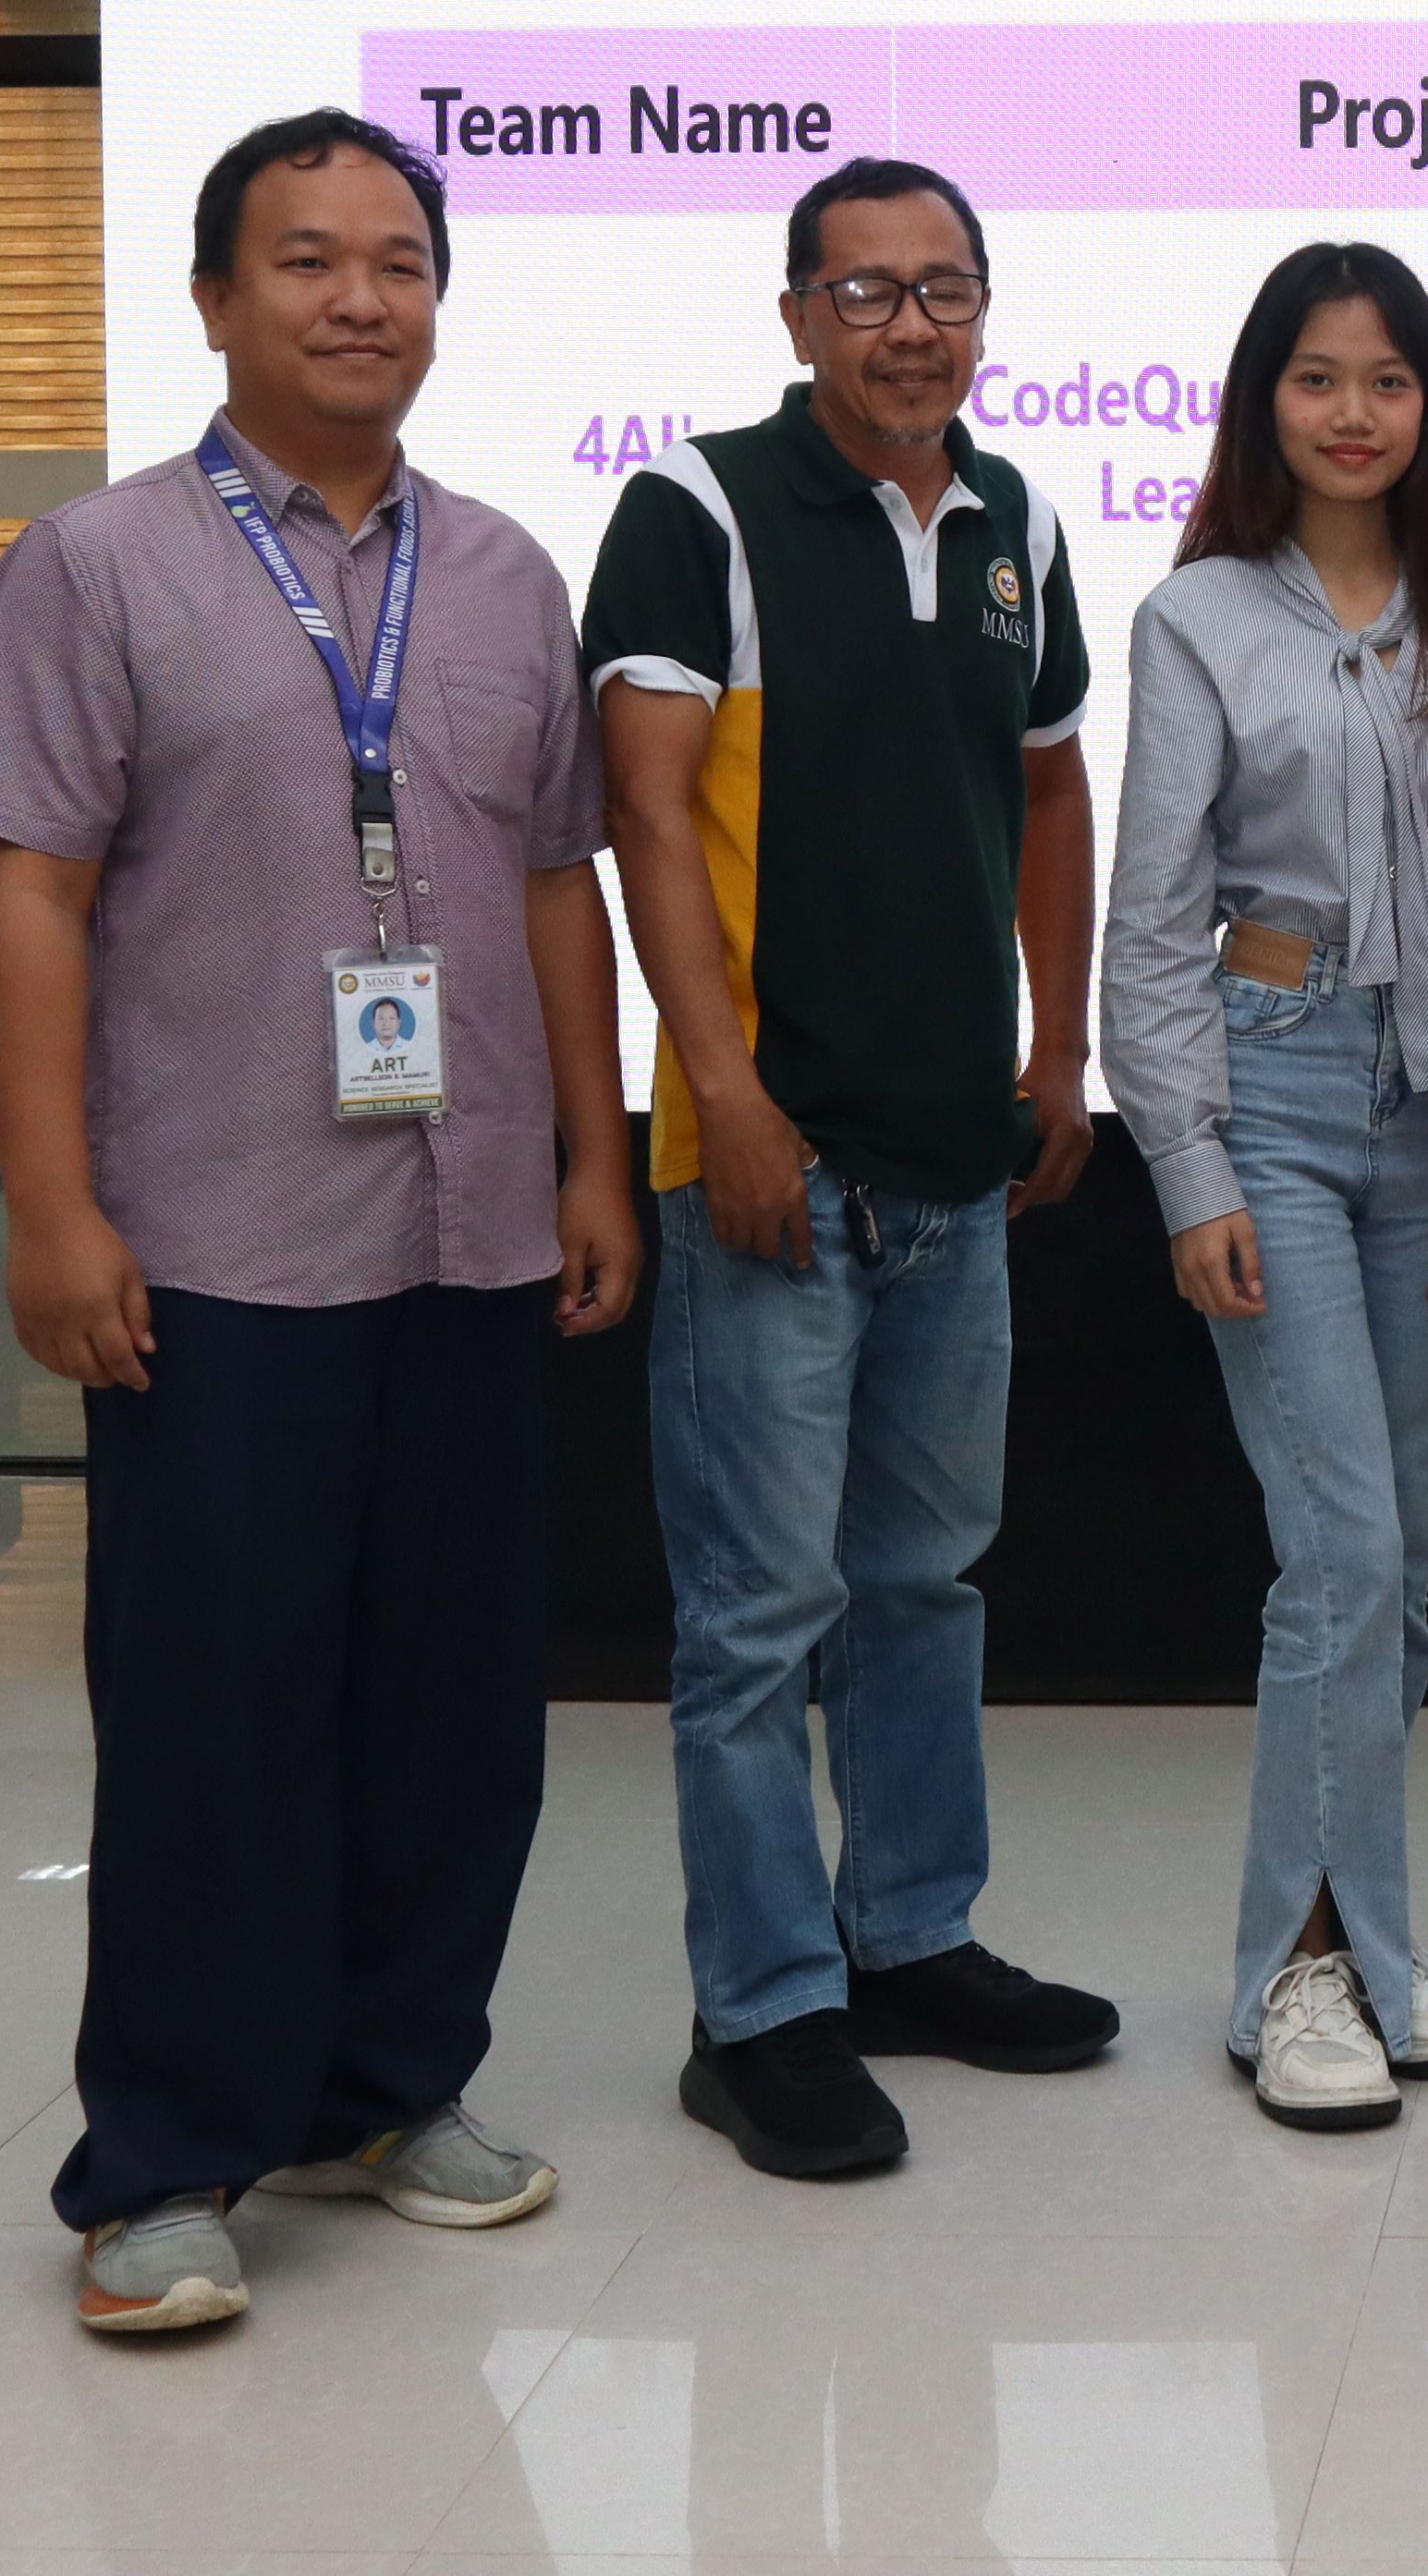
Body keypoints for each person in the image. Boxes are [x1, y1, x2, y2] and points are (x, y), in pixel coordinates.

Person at [0, 109, 641, 2339]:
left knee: (452, 1696)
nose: (362, 296)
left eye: (400, 260)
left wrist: (594, 1153)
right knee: (212, 1706)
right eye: (310, 257)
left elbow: (554, 884)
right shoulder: (98, 564)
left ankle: (388, 2079)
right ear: (215, 297)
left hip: (471, 1223)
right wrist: (51, 1203)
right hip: (216, 1232)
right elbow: (33, 891)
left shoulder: (509, 572)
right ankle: (166, 2154)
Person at [584, 155, 1118, 2184]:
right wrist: (721, 1089)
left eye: (947, 288)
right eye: (869, 290)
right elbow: (645, 812)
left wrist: (1056, 1051)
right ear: (799, 314)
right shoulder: (699, 508)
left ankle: (908, 1939)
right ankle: (762, 2014)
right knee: (754, 1615)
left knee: (921, 1581)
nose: (913, 325)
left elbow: (1051, 791)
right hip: (771, 1159)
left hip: (955, 1161)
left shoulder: (1017, 522)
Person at [1103, 242, 1428, 2130]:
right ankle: (1299, 1971)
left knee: (1401, 1564)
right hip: (1275, 1089)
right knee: (1343, 1555)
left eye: (1388, 378)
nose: (1355, 411)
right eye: (1318, 377)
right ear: (1264, 401)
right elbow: (1155, 916)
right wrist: (1186, 1163)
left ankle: (1361, 1949)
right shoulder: (1197, 615)